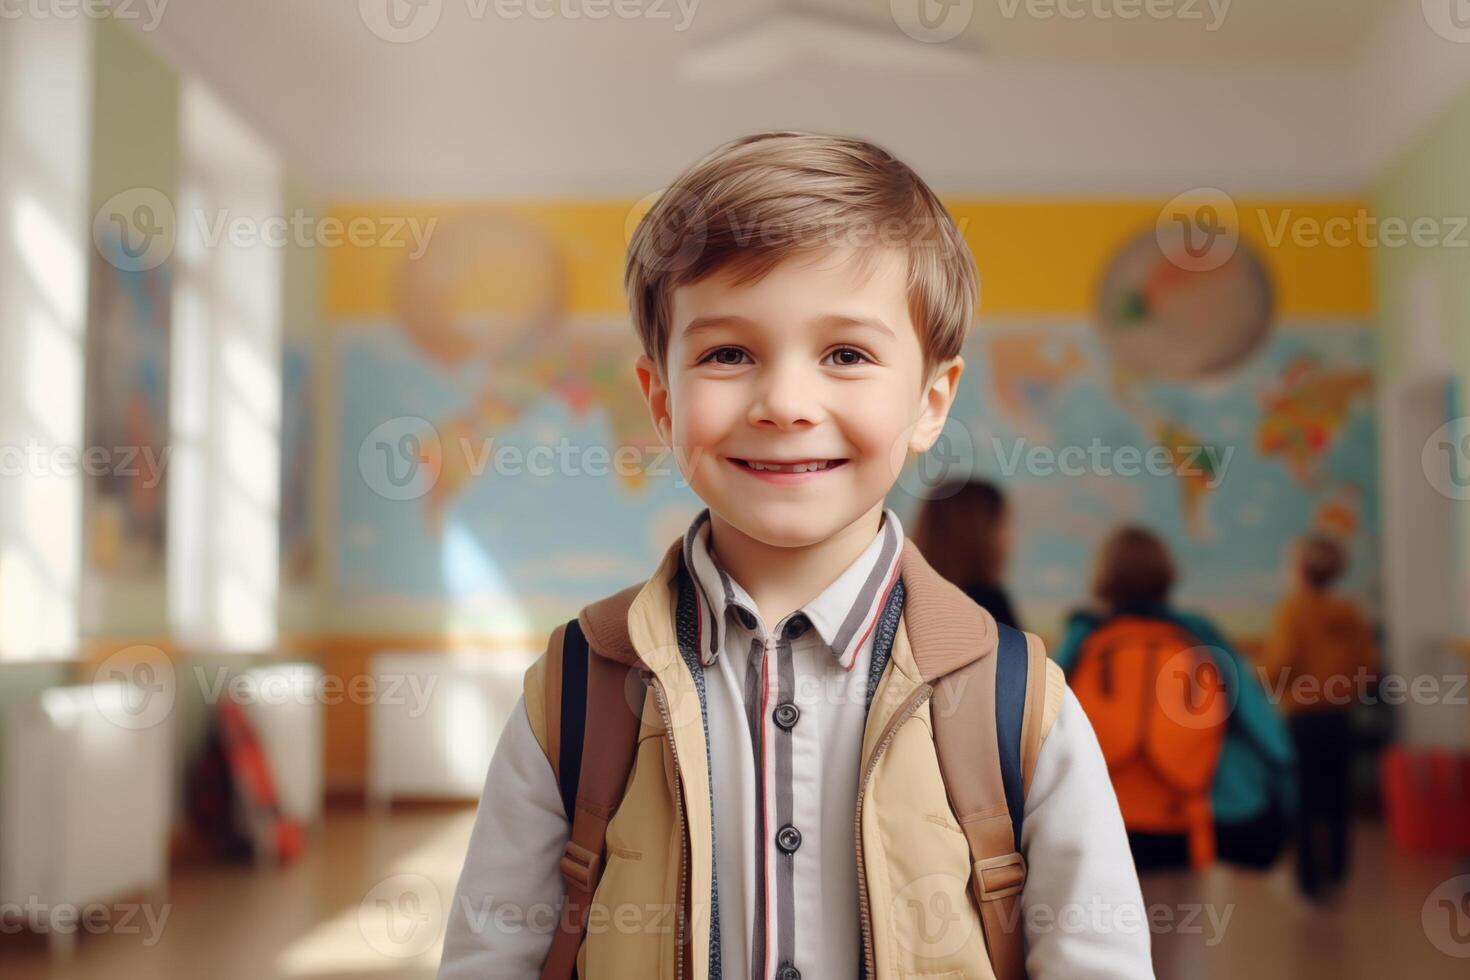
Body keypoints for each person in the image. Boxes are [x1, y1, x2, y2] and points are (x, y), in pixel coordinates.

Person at [439, 132, 1152, 980]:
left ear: (930, 402)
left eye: (846, 354)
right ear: (660, 403)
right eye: (727, 354)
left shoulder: (1017, 701)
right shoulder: (576, 689)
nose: (784, 402)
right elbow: (491, 958)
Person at [1054, 526, 1294, 979]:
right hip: (1182, 819)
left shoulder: (1085, 637)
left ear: (1103, 577)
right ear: (1166, 575)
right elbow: (1258, 721)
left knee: (1102, 946)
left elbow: (1039, 714)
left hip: (1098, 824)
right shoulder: (1196, 636)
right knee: (1179, 946)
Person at [1260, 532, 1376, 903]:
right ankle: (1337, 875)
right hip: (1341, 719)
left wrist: (1260, 684)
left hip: (1303, 721)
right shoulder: (1348, 611)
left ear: (1300, 570)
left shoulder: (1293, 610)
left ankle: (1309, 882)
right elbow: (1367, 664)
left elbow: (1283, 662)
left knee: (1305, 801)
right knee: (1338, 800)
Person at [911, 480, 1023, 630]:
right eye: (1002, 526)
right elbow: (1015, 652)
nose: (1009, 538)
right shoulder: (988, 604)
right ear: (983, 535)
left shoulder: (906, 596)